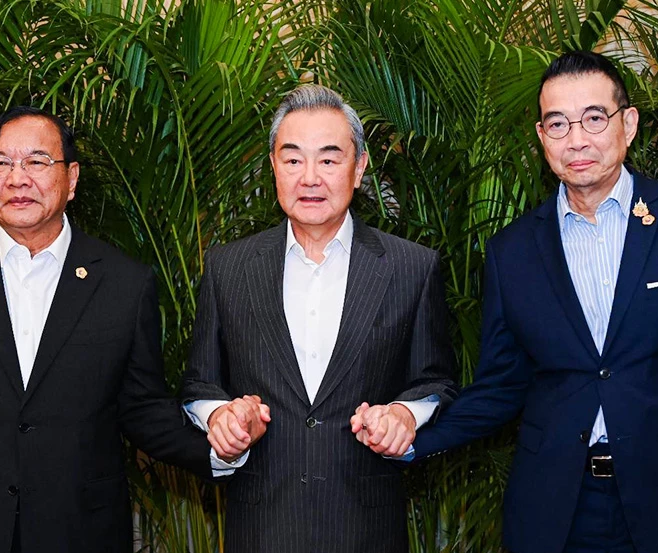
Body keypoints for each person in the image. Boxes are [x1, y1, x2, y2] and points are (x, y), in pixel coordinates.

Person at [412, 51, 658, 553]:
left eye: (594, 118)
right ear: (542, 138)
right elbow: (500, 386)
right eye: (558, 124)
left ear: (629, 124)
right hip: (554, 511)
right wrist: (411, 435)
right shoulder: (511, 252)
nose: (576, 140)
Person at [0, 107, 268, 553]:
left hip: (80, 533)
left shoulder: (124, 283)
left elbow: (142, 410)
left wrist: (221, 446)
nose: (17, 179)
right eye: (1, 163)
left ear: (71, 178)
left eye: (37, 162)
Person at [182, 84, 458, 553]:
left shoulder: (412, 267)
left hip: (366, 530)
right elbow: (199, 383)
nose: (309, 177)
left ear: (360, 167)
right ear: (273, 166)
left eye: (329, 159)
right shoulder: (229, 267)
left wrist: (405, 415)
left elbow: (437, 381)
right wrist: (222, 418)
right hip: (261, 530)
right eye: (293, 159)